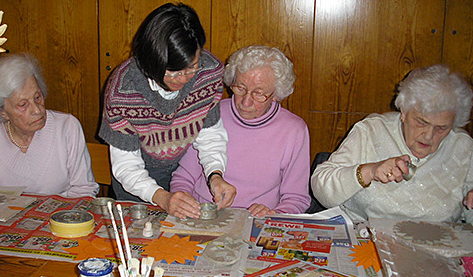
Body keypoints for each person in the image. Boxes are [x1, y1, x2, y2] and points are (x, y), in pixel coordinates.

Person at [99, 3, 236, 219]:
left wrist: (215, 174)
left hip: (181, 174)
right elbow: (126, 165)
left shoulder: (208, 73)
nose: (183, 79)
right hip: (135, 185)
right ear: (151, 59)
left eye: (192, 67)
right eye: (173, 72)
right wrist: (162, 197)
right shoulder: (123, 89)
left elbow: (210, 134)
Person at [311, 64, 473, 223]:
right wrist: (370, 171)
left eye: (441, 128)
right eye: (421, 122)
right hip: (366, 239)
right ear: (403, 112)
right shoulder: (371, 130)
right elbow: (322, 189)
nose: (429, 136)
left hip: (437, 245)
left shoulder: (463, 146)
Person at [171, 45, 311, 217]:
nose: (245, 102)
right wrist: (183, 200)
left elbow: (296, 198)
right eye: (240, 88)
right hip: (204, 215)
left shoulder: (294, 130)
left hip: (256, 221)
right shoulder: (211, 114)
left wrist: (274, 213)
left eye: (259, 93)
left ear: (276, 94)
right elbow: (184, 177)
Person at [0, 53, 99, 198]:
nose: (37, 110)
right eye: (23, 105)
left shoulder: (66, 127)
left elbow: (84, 190)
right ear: (2, 112)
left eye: (37, 97)